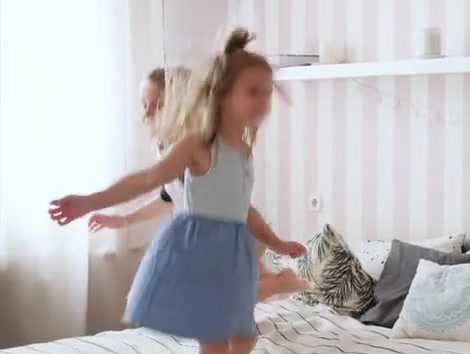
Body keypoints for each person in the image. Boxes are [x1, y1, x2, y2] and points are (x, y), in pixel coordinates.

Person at [49, 28, 300, 354]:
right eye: (254, 92)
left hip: (231, 254)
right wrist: (90, 202)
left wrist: (277, 241)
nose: (263, 101)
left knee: (244, 339)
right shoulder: (198, 145)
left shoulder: (243, 149)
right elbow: (148, 179)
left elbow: (243, 208)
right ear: (222, 94)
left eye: (268, 93)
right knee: (215, 347)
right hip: (201, 252)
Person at [87, 65, 307, 301]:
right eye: (144, 105)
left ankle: (280, 283)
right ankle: (275, 283)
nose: (147, 114)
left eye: (159, 106)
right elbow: (171, 198)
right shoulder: (167, 146)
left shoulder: (203, 151)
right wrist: (124, 220)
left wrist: (277, 243)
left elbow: (242, 206)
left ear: (183, 108)